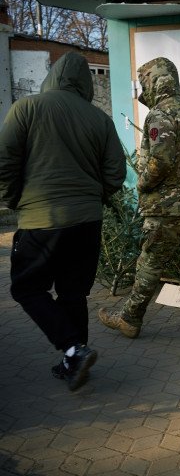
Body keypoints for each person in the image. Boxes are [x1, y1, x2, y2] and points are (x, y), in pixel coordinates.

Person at [0, 52, 126, 391]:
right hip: (87, 221)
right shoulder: (100, 119)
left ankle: (73, 348)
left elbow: (4, 161)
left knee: (27, 288)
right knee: (74, 293)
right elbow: (116, 172)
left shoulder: (26, 108)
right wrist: (92, 196)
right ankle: (74, 360)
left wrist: (12, 200)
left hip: (43, 218)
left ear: (52, 76)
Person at [98, 57, 180, 350]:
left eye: (145, 83)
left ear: (154, 82)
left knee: (150, 263)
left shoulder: (159, 115)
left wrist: (142, 183)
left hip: (167, 208)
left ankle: (130, 319)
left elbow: (161, 161)